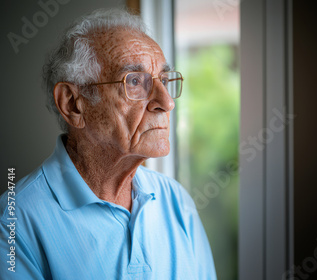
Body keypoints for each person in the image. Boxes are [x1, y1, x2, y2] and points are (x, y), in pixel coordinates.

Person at [0, 8, 216, 279]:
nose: (167, 102)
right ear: (73, 104)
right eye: (135, 81)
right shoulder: (13, 222)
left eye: (163, 80)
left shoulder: (177, 201)